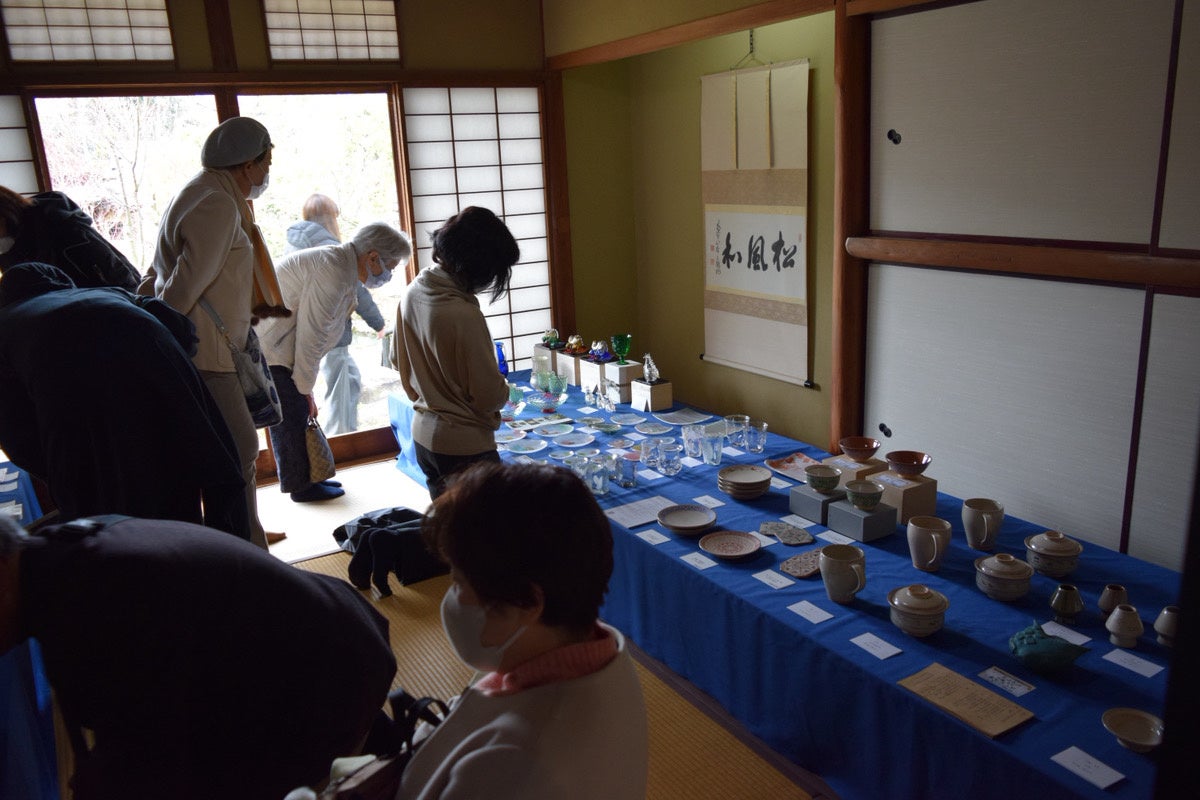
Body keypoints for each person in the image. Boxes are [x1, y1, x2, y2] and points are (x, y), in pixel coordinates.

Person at [0, 513, 396, 800]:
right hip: (323, 644)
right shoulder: (63, 554)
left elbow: (151, 747)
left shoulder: (88, 596)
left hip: (334, 673)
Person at [395, 461, 648, 799]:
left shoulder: (512, 766)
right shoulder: (592, 650)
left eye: (458, 582)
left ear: (527, 603)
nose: (451, 597)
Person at [0, 262, 249, 538]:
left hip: (76, 407)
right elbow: (185, 331)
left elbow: (14, 430)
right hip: (159, 368)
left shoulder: (7, 324)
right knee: (176, 478)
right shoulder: (111, 293)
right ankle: (209, 550)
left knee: (104, 519)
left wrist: (57, 472)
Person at [149, 115, 285, 547]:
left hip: (209, 346)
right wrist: (159, 331)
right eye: (266, 164)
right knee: (239, 452)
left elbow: (159, 273)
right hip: (208, 351)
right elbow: (184, 284)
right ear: (247, 165)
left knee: (232, 453)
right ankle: (245, 550)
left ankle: (247, 536)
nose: (266, 174)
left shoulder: (199, 191)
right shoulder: (217, 204)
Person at [258, 222, 412, 502]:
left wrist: (305, 388)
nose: (388, 275)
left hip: (280, 345)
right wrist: (306, 389)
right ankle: (300, 487)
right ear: (373, 257)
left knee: (296, 412)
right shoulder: (333, 269)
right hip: (271, 347)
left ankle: (307, 480)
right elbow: (311, 335)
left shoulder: (341, 266)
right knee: (292, 415)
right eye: (389, 267)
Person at [391, 206, 518, 498]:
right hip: (464, 447)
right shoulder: (463, 313)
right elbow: (488, 396)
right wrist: (504, 387)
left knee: (448, 523)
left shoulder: (414, 291)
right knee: (484, 527)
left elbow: (398, 360)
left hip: (423, 437)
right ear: (478, 265)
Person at [284, 193, 389, 436]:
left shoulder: (296, 242)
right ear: (330, 217)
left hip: (302, 328)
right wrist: (378, 323)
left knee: (344, 380)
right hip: (329, 331)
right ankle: (342, 438)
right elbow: (357, 290)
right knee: (342, 388)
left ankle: (339, 435)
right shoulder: (329, 246)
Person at [0, 185, 141, 291]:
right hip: (79, 309)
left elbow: (117, 276)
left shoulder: (62, 225)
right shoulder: (12, 248)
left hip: (116, 302)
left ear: (5, 214)